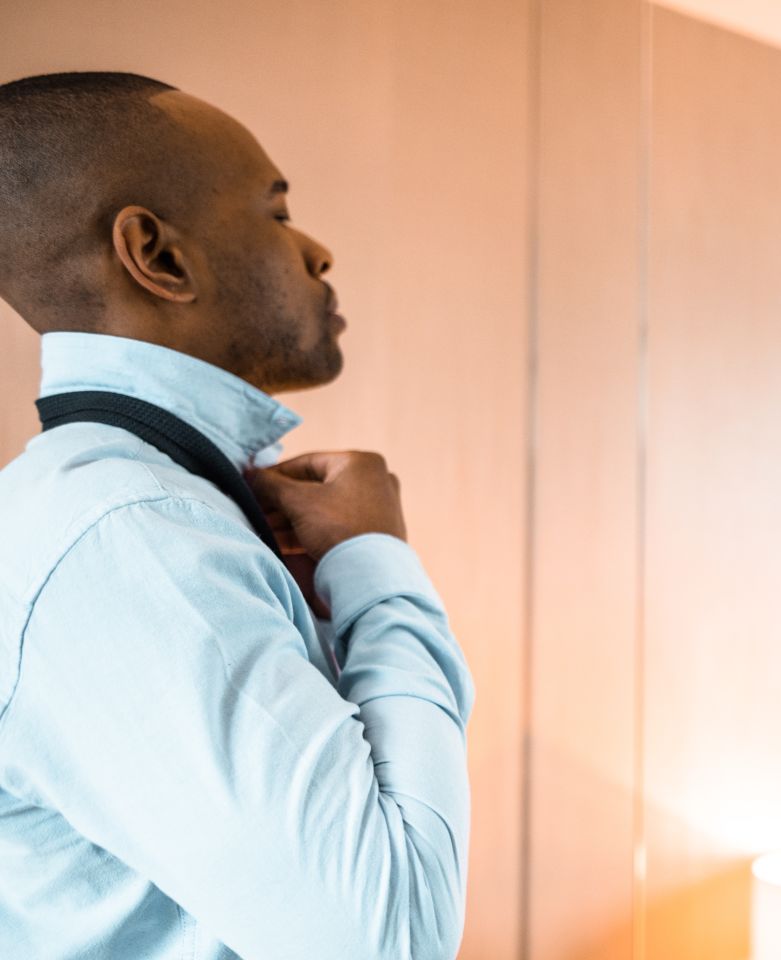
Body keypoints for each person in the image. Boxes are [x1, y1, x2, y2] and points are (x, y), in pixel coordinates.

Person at [0, 72, 472, 959]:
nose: (319, 251)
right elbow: (393, 941)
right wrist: (377, 568)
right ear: (157, 255)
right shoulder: (128, 538)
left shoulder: (158, 515)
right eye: (279, 212)